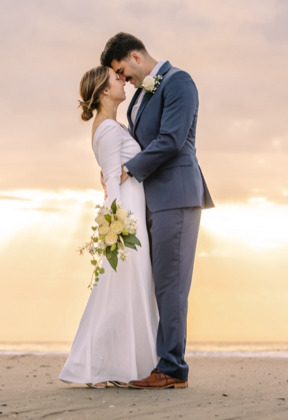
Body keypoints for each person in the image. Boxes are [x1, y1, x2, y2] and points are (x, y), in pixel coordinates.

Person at [101, 33, 213, 389]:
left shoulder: (180, 82)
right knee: (158, 282)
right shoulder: (141, 98)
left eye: (123, 71)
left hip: (176, 195)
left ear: (135, 56)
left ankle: (173, 369)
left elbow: (171, 140)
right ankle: (160, 361)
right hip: (152, 198)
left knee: (172, 284)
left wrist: (128, 168)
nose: (125, 80)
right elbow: (138, 142)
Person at [60, 66, 159, 387]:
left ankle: (118, 367)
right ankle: (95, 367)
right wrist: (117, 228)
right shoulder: (106, 130)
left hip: (130, 216)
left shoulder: (113, 126)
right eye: (116, 78)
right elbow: (112, 185)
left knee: (126, 291)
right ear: (103, 90)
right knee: (116, 292)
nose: (123, 80)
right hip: (125, 219)